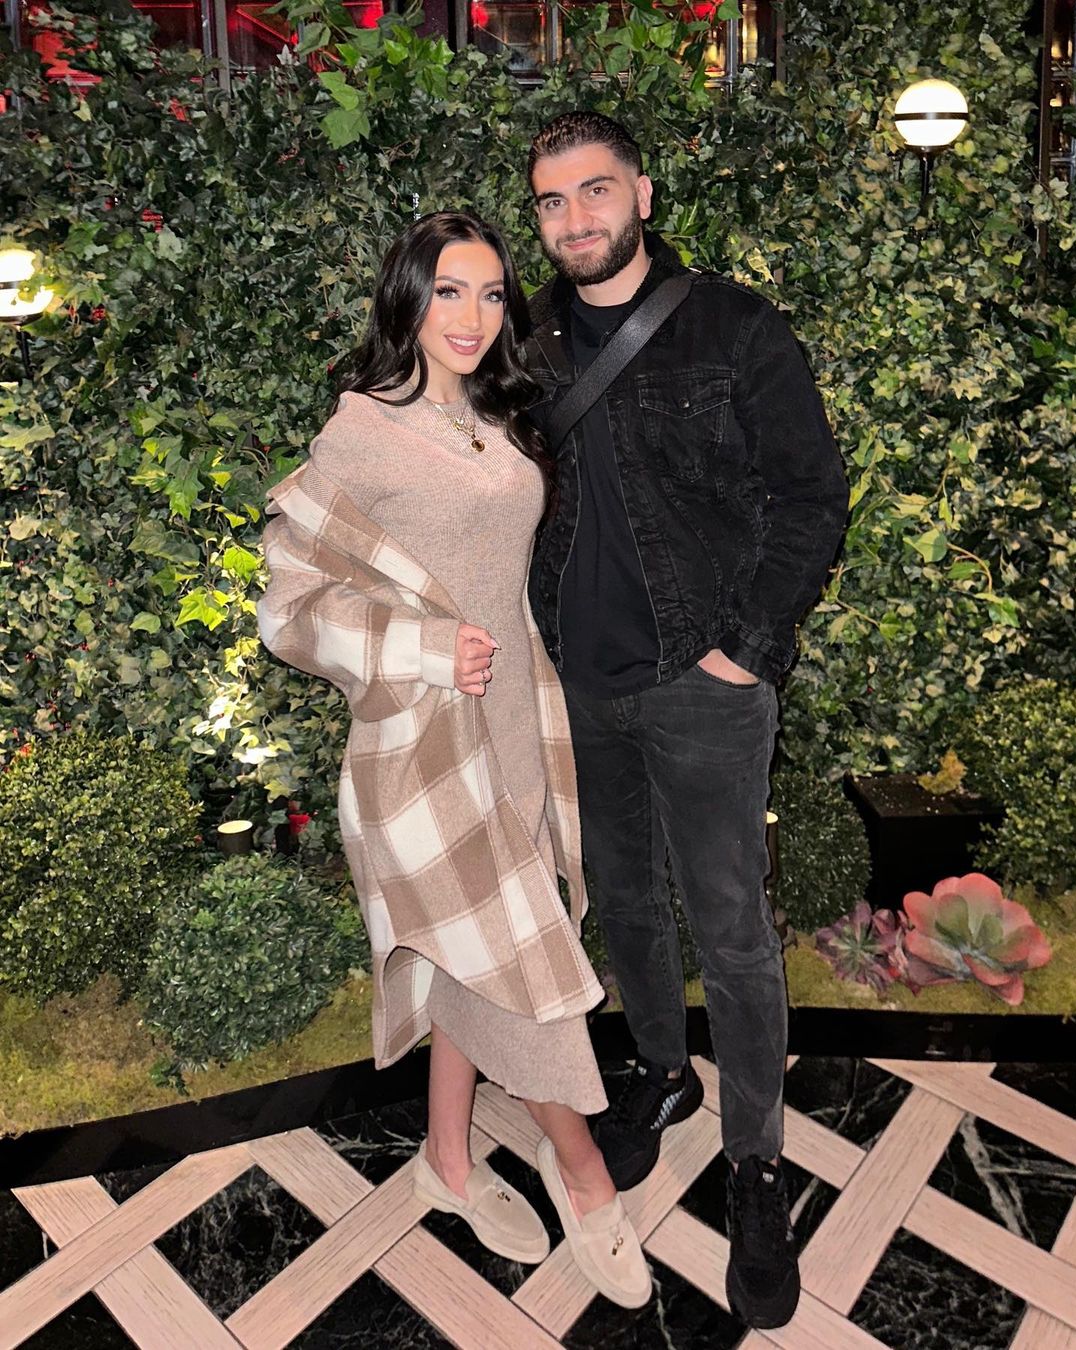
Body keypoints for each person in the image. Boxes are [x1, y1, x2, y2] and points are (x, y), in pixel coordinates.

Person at [256, 211, 652, 1309]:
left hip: (518, 724)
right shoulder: (362, 433)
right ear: (408, 299)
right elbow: (287, 608)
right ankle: (585, 1173)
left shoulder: (493, 415)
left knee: (476, 947)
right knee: (522, 965)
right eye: (447, 292)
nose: (471, 316)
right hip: (423, 744)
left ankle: (446, 1160)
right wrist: (424, 648)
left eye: (489, 293)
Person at [523, 113, 849, 1329]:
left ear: (642, 194)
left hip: (703, 684)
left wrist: (742, 652)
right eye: (552, 202)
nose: (575, 220)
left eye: (595, 192)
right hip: (582, 680)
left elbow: (813, 497)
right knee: (622, 896)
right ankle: (662, 1072)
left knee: (734, 930)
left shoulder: (736, 328)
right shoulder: (525, 340)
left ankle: (757, 1163)